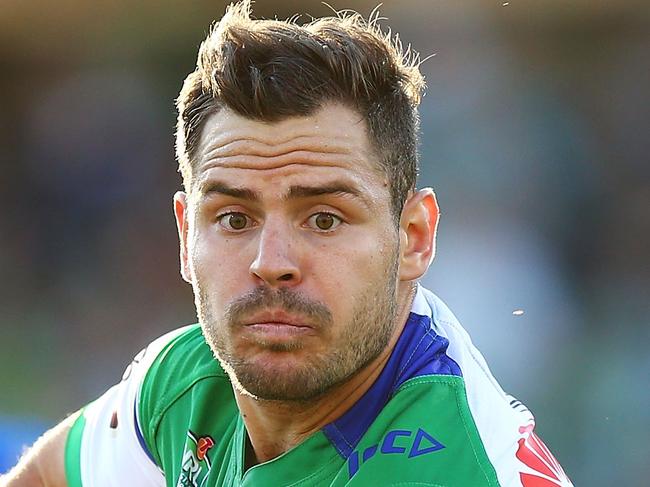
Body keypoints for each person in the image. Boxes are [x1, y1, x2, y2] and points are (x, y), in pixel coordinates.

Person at [1, 2, 573, 486]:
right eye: (232, 217)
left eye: (324, 219)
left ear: (414, 239)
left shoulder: (463, 468)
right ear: (183, 235)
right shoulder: (186, 385)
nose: (270, 264)